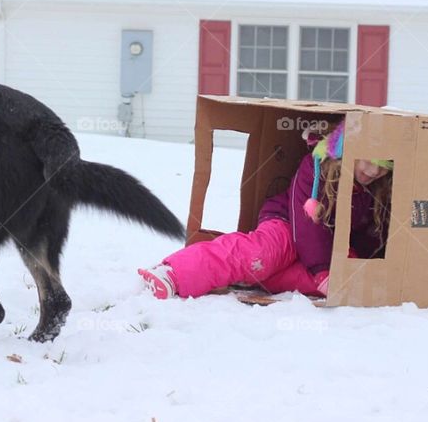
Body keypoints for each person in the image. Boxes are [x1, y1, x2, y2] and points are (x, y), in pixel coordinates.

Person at [138, 120, 393, 300]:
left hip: (324, 249)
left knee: (346, 279)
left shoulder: (376, 189)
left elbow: (369, 233)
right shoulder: (318, 169)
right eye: (368, 161)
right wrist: (323, 271)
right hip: (288, 223)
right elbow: (307, 224)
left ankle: (254, 276)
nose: (373, 171)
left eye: (383, 166)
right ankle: (174, 273)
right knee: (261, 254)